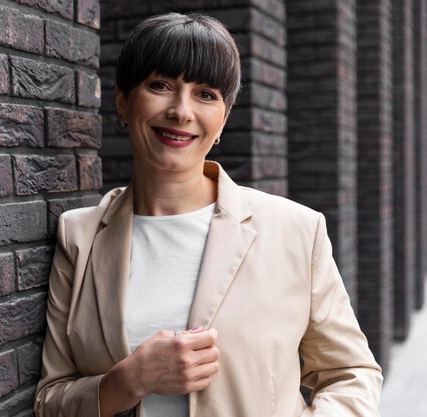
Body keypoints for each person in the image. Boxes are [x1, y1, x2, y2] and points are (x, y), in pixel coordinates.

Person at [34, 12, 383, 417]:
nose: (181, 111)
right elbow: (50, 400)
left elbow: (350, 372)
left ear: (223, 119)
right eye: (160, 85)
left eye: (206, 94)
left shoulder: (295, 231)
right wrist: (129, 381)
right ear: (123, 100)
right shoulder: (80, 237)